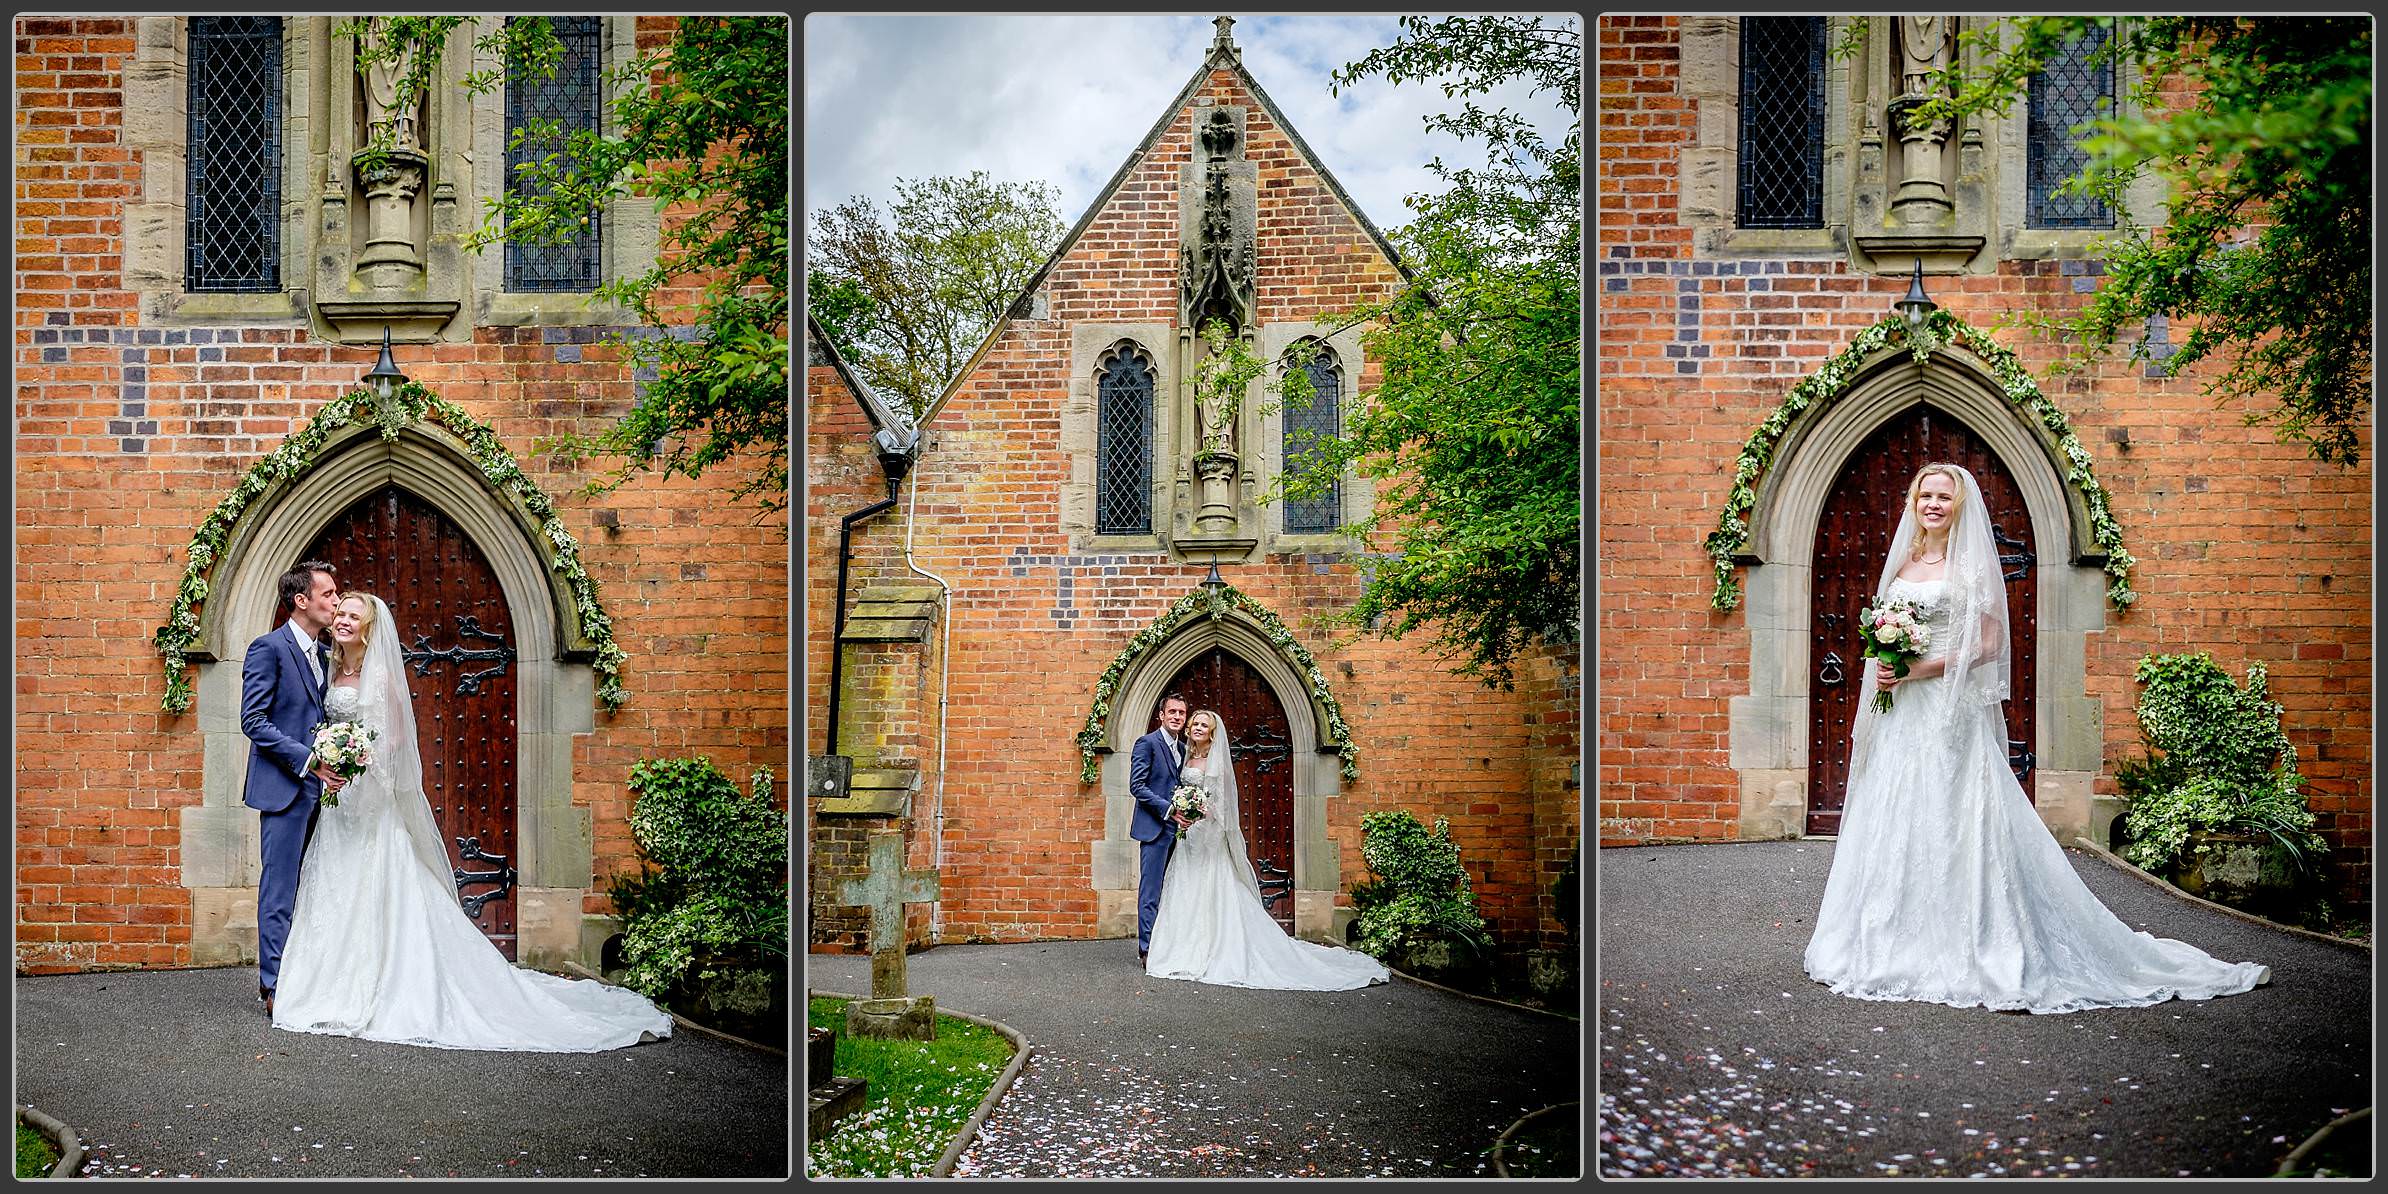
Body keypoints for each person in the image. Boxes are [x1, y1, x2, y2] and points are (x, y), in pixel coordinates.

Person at [1804, 463, 2270, 1013]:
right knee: (1899, 810)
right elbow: (1887, 631)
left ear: (1958, 506)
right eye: (1924, 495)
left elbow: (1986, 644)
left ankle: (1972, 939)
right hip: (1902, 712)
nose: (1933, 504)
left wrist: (1918, 669)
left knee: (1954, 815)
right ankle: (1889, 937)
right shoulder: (1904, 559)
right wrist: (1886, 667)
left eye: (1943, 497)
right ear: (1913, 501)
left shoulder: (1969, 564)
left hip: (1946, 711)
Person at [272, 592, 672, 1051]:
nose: (342, 620)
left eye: (352, 616)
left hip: (369, 798)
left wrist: (359, 760)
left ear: (369, 628)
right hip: (337, 802)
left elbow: (397, 740)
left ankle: (381, 984)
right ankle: (324, 986)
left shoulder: (380, 675)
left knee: (376, 885)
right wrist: (328, 755)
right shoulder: (329, 669)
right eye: (340, 613)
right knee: (332, 887)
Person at [1145, 709, 1388, 990]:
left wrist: (1199, 812)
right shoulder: (1187, 755)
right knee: (1184, 888)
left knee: (1211, 887)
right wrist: (1183, 812)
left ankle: (1213, 948)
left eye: (1204, 725)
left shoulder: (1216, 760)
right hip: (1188, 834)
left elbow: (1221, 803)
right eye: (1195, 723)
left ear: (1212, 732)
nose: (1198, 727)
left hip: (1207, 835)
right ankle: (1180, 949)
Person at [241, 560, 348, 1017]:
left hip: (324, 792)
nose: (336, 602)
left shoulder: (328, 655)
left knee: (319, 888)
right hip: (285, 787)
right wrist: (307, 760)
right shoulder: (268, 648)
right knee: (281, 888)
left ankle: (312, 977)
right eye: (328, 595)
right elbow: (254, 720)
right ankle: (274, 985)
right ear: (301, 601)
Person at [1128, 693, 1192, 964]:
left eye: (1182, 713)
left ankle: (1168, 945)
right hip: (1155, 828)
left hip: (1178, 831)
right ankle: (1147, 949)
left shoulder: (1184, 748)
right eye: (1173, 712)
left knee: (1175, 890)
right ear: (1161, 715)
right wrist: (1169, 809)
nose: (1177, 717)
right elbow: (1137, 786)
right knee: (1151, 890)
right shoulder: (1147, 743)